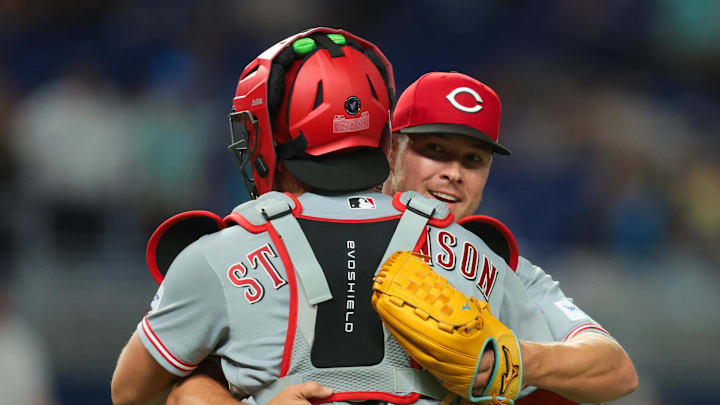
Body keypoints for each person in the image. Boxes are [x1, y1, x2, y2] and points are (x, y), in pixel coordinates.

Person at [110, 28, 594, 405]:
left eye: (471, 160)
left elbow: (130, 392)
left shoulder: (215, 255)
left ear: (268, 135)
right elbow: (608, 374)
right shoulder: (470, 252)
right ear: (387, 141)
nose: (453, 174)